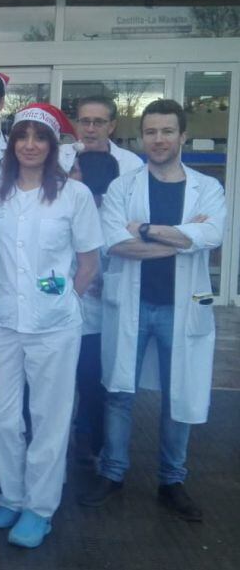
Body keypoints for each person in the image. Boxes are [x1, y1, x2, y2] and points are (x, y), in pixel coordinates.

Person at [79, 99, 226, 522]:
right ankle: (113, 473)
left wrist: (145, 230)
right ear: (140, 137)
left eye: (166, 131)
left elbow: (212, 234)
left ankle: (172, 480)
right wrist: (182, 237)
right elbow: (115, 245)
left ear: (182, 136)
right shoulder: (125, 187)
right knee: (119, 393)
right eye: (150, 132)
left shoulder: (207, 188)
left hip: (182, 309)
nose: (158, 140)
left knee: (178, 395)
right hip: (132, 304)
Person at [0, 103, 102, 548]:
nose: (30, 145)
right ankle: (11, 496)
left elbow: (89, 261)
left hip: (54, 326)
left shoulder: (75, 196)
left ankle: (39, 508)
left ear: (52, 146)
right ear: (12, 144)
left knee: (49, 418)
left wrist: (65, 296)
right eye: (22, 136)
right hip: (2, 322)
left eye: (39, 137)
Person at [66, 150, 121, 466]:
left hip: (95, 322)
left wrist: (103, 281)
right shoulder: (67, 206)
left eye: (74, 170)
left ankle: (92, 447)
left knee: (92, 387)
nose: (69, 175)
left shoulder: (111, 219)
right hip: (65, 315)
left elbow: (115, 268)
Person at [59, 96, 144, 175]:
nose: (90, 129)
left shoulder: (132, 165)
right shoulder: (58, 157)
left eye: (99, 122)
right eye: (85, 121)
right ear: (77, 124)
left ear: (111, 126)